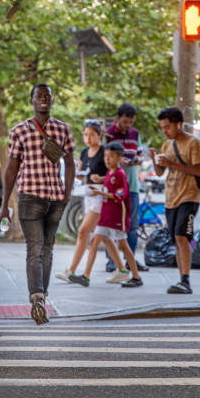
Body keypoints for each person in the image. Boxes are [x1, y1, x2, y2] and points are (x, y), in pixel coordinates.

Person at [0, 83, 75, 325]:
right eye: (39, 96)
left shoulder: (63, 130)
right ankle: (37, 298)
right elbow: (12, 169)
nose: (43, 99)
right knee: (35, 248)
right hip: (30, 197)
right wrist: (3, 204)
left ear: (52, 100)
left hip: (55, 198)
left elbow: (71, 164)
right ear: (31, 100)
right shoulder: (19, 131)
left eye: (47, 95)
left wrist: (67, 193)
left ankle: (42, 295)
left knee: (48, 249)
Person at [68, 142, 143, 288]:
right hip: (105, 215)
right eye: (106, 156)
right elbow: (109, 181)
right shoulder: (110, 172)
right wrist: (100, 180)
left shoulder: (120, 174)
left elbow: (119, 195)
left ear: (120, 158)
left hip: (116, 216)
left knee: (123, 245)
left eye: (112, 156)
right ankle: (85, 276)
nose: (108, 159)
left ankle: (136, 276)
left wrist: (99, 192)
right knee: (94, 241)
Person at [151, 107, 200, 294]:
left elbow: (198, 170)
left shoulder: (193, 143)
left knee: (183, 236)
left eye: (167, 127)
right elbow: (160, 172)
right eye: (162, 128)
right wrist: (154, 161)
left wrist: (172, 164)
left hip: (189, 196)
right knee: (176, 238)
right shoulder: (167, 145)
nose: (165, 131)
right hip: (171, 197)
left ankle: (186, 280)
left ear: (178, 124)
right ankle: (181, 278)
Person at [56, 119, 107, 282]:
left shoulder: (105, 153)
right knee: (105, 236)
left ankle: (70, 270)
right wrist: (80, 175)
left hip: (101, 196)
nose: (88, 138)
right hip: (87, 195)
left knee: (83, 231)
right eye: (85, 134)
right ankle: (124, 270)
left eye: (92, 134)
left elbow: (114, 175)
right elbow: (83, 172)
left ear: (100, 135)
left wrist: (101, 179)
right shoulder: (84, 152)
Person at [104, 103, 149, 273]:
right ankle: (112, 260)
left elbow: (139, 155)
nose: (127, 125)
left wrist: (136, 160)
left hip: (132, 186)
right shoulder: (109, 133)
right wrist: (116, 161)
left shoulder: (135, 134)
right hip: (114, 186)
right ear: (118, 119)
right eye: (124, 122)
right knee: (113, 224)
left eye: (130, 122)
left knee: (132, 225)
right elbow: (105, 157)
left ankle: (129, 259)